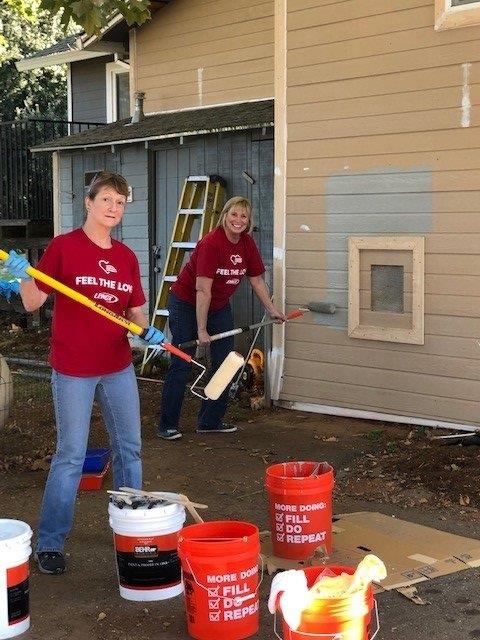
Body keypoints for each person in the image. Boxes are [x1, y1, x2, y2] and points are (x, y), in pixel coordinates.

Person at [4, 171, 164, 575]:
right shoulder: (64, 248)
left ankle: (132, 527)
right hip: (74, 367)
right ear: (89, 203)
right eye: (107, 199)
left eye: (120, 202)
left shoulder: (126, 257)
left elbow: (135, 311)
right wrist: (23, 275)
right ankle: (51, 543)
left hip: (116, 366)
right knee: (71, 455)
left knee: (129, 449)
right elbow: (32, 303)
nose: (114, 207)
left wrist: (147, 331)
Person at [158, 195, 285, 440]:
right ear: (225, 215)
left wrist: (271, 309)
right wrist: (202, 329)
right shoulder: (211, 243)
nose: (238, 220)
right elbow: (202, 289)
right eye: (234, 214)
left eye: (244, 216)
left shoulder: (247, 244)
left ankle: (209, 420)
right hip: (186, 303)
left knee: (227, 361)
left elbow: (256, 280)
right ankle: (167, 425)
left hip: (217, 306)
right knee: (182, 361)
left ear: (248, 222)